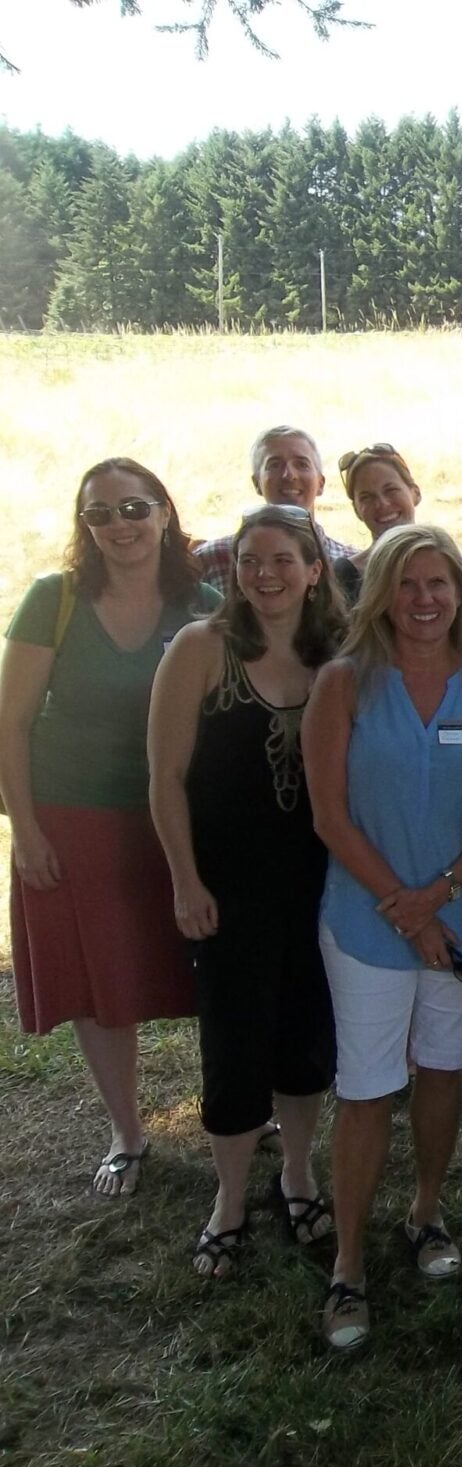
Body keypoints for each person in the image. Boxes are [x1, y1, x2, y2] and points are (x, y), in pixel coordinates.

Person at [301, 523, 462, 1352]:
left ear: (461, 594)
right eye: (407, 584)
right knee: (366, 1087)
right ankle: (348, 1261)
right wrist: (405, 907)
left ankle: (425, 1209)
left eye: (439, 584)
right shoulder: (344, 683)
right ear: (381, 595)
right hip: (366, 924)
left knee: (444, 1069)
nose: (424, 599)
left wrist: (440, 897)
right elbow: (329, 816)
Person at [2, 460, 218, 1195]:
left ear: (164, 512)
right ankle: (128, 1131)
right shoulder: (53, 599)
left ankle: (238, 1103)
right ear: (84, 525)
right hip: (74, 821)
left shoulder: (204, 605)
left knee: (209, 968)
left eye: (134, 508)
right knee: (99, 983)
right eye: (100, 514)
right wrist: (27, 831)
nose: (120, 525)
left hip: (177, 822)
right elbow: (10, 723)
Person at [150, 504, 345, 1277]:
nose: (265, 575)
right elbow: (164, 777)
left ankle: (296, 1173)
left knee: (304, 1040)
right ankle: (228, 1201)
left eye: (282, 560)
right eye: (250, 561)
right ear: (232, 572)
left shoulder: (337, 654)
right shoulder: (202, 648)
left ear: (314, 570)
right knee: (233, 1048)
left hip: (319, 888)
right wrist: (184, 880)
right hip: (227, 891)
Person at [190, 427, 358, 589]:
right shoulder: (212, 559)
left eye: (301, 464)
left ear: (321, 483)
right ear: (257, 483)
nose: (289, 475)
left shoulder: (353, 564)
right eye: (275, 465)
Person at [329, 443, 423, 599]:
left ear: (415, 493)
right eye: (367, 497)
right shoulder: (345, 577)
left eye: (391, 490)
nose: (382, 504)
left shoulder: (446, 563)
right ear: (356, 510)